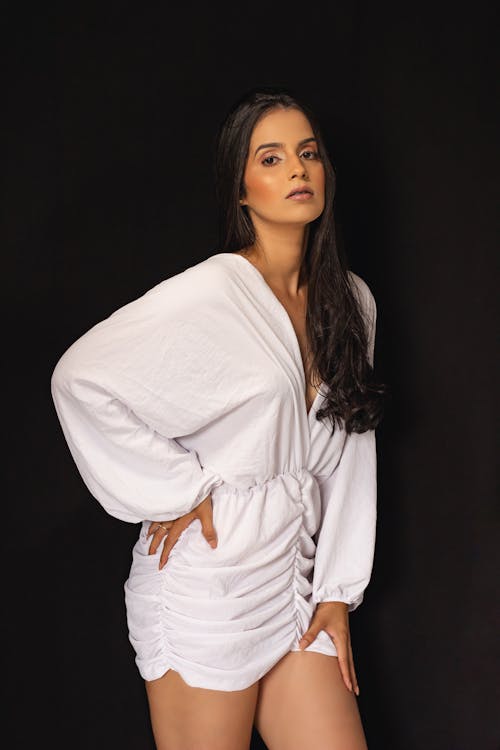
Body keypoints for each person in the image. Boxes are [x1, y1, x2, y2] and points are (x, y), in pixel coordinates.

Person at [51, 87, 385, 750]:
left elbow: (351, 449)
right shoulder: (213, 293)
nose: (297, 169)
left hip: (294, 578)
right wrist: (180, 488)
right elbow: (79, 380)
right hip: (209, 585)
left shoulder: (353, 302)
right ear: (241, 188)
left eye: (308, 153)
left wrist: (338, 591)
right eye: (271, 158)